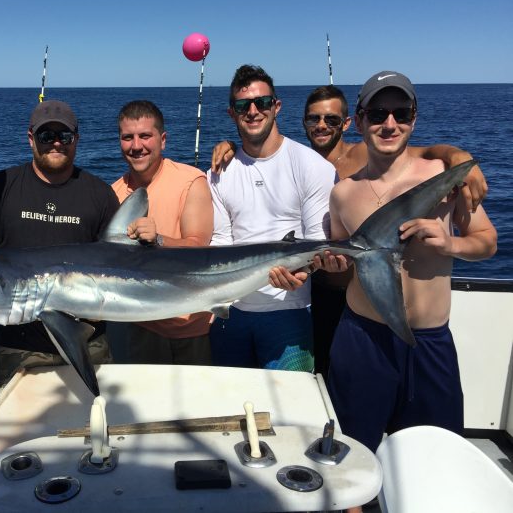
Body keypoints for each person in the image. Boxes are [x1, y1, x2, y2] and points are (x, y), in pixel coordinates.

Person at [270, 71, 497, 461]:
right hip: (362, 338)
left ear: (414, 117)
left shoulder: (444, 178)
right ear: (358, 122)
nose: (389, 123)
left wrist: (449, 243)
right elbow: (344, 267)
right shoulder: (342, 193)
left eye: (400, 112)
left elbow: (487, 242)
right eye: (377, 114)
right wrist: (322, 266)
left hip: (428, 341)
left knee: (436, 457)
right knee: (350, 454)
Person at [212, 84, 489, 378]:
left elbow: (420, 151)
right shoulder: (304, 161)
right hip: (311, 287)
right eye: (313, 119)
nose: (322, 126)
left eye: (331, 120)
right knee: (327, 379)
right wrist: (230, 144)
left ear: (348, 123)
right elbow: (261, 155)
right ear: (303, 121)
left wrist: (458, 155)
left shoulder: (362, 157)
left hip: (346, 294)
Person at [0, 100, 120, 387]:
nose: (56, 143)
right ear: (31, 138)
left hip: (89, 344)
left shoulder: (100, 194)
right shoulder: (1, 187)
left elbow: (119, 265)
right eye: (45, 135)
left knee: (95, 425)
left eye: (64, 136)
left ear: (76, 139)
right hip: (20, 347)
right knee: (23, 432)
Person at [207, 64, 336, 371]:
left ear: (276, 106)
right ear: (232, 113)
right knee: (231, 408)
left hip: (288, 310)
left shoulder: (312, 165)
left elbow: (318, 242)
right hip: (230, 312)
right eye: (243, 105)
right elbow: (221, 241)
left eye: (262, 102)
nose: (253, 111)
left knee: (288, 410)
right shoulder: (216, 174)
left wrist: (303, 272)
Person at [108, 100, 213, 365]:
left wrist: (159, 240)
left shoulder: (191, 180)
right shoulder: (113, 193)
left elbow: (200, 248)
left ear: (162, 140)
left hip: (190, 326)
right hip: (140, 325)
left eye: (145, 136)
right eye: (127, 137)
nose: (136, 146)